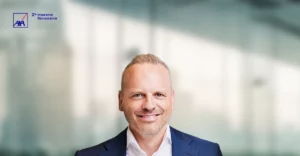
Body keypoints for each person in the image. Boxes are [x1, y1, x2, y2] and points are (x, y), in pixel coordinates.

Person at [75, 54, 223, 156]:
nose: (149, 105)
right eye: (138, 95)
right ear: (121, 101)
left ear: (172, 100)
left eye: (159, 94)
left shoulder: (208, 152)